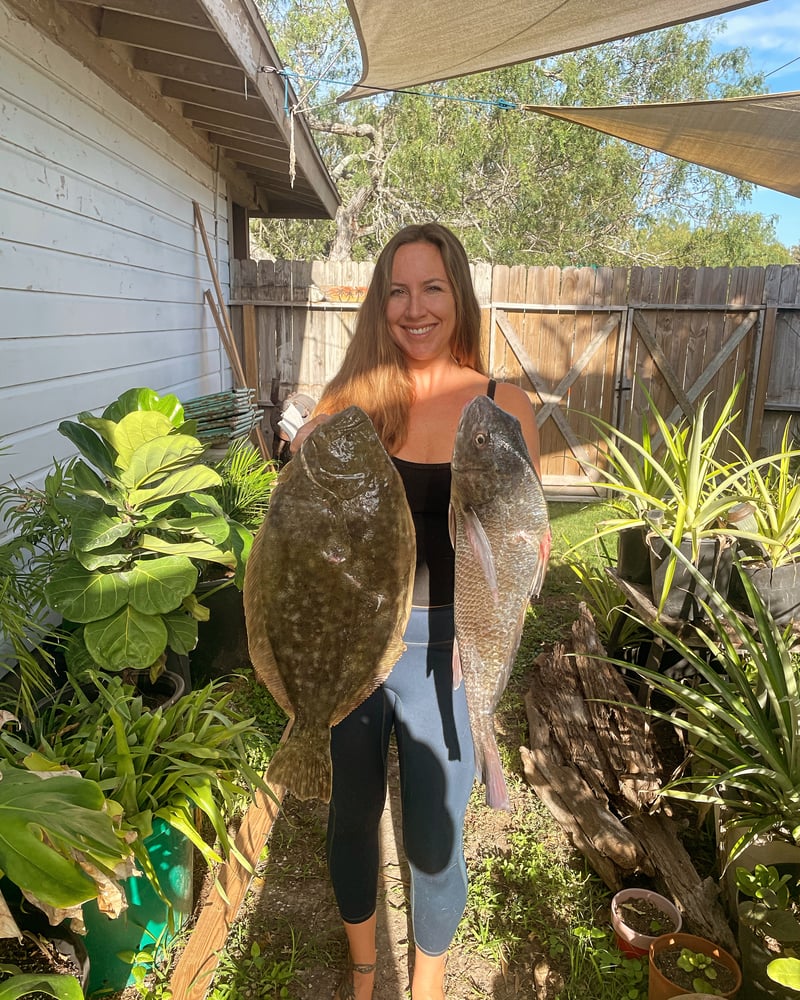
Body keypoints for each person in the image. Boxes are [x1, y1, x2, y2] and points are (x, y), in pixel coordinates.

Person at [291, 223, 541, 1000]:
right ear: (380, 301)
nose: (414, 307)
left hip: (451, 655)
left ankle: (426, 987)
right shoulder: (351, 402)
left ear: (458, 294)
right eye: (397, 289)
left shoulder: (505, 406)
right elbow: (298, 535)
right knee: (351, 819)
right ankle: (365, 975)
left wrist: (507, 603)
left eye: (431, 287)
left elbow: (527, 548)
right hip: (356, 646)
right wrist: (298, 462)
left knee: (436, 835)